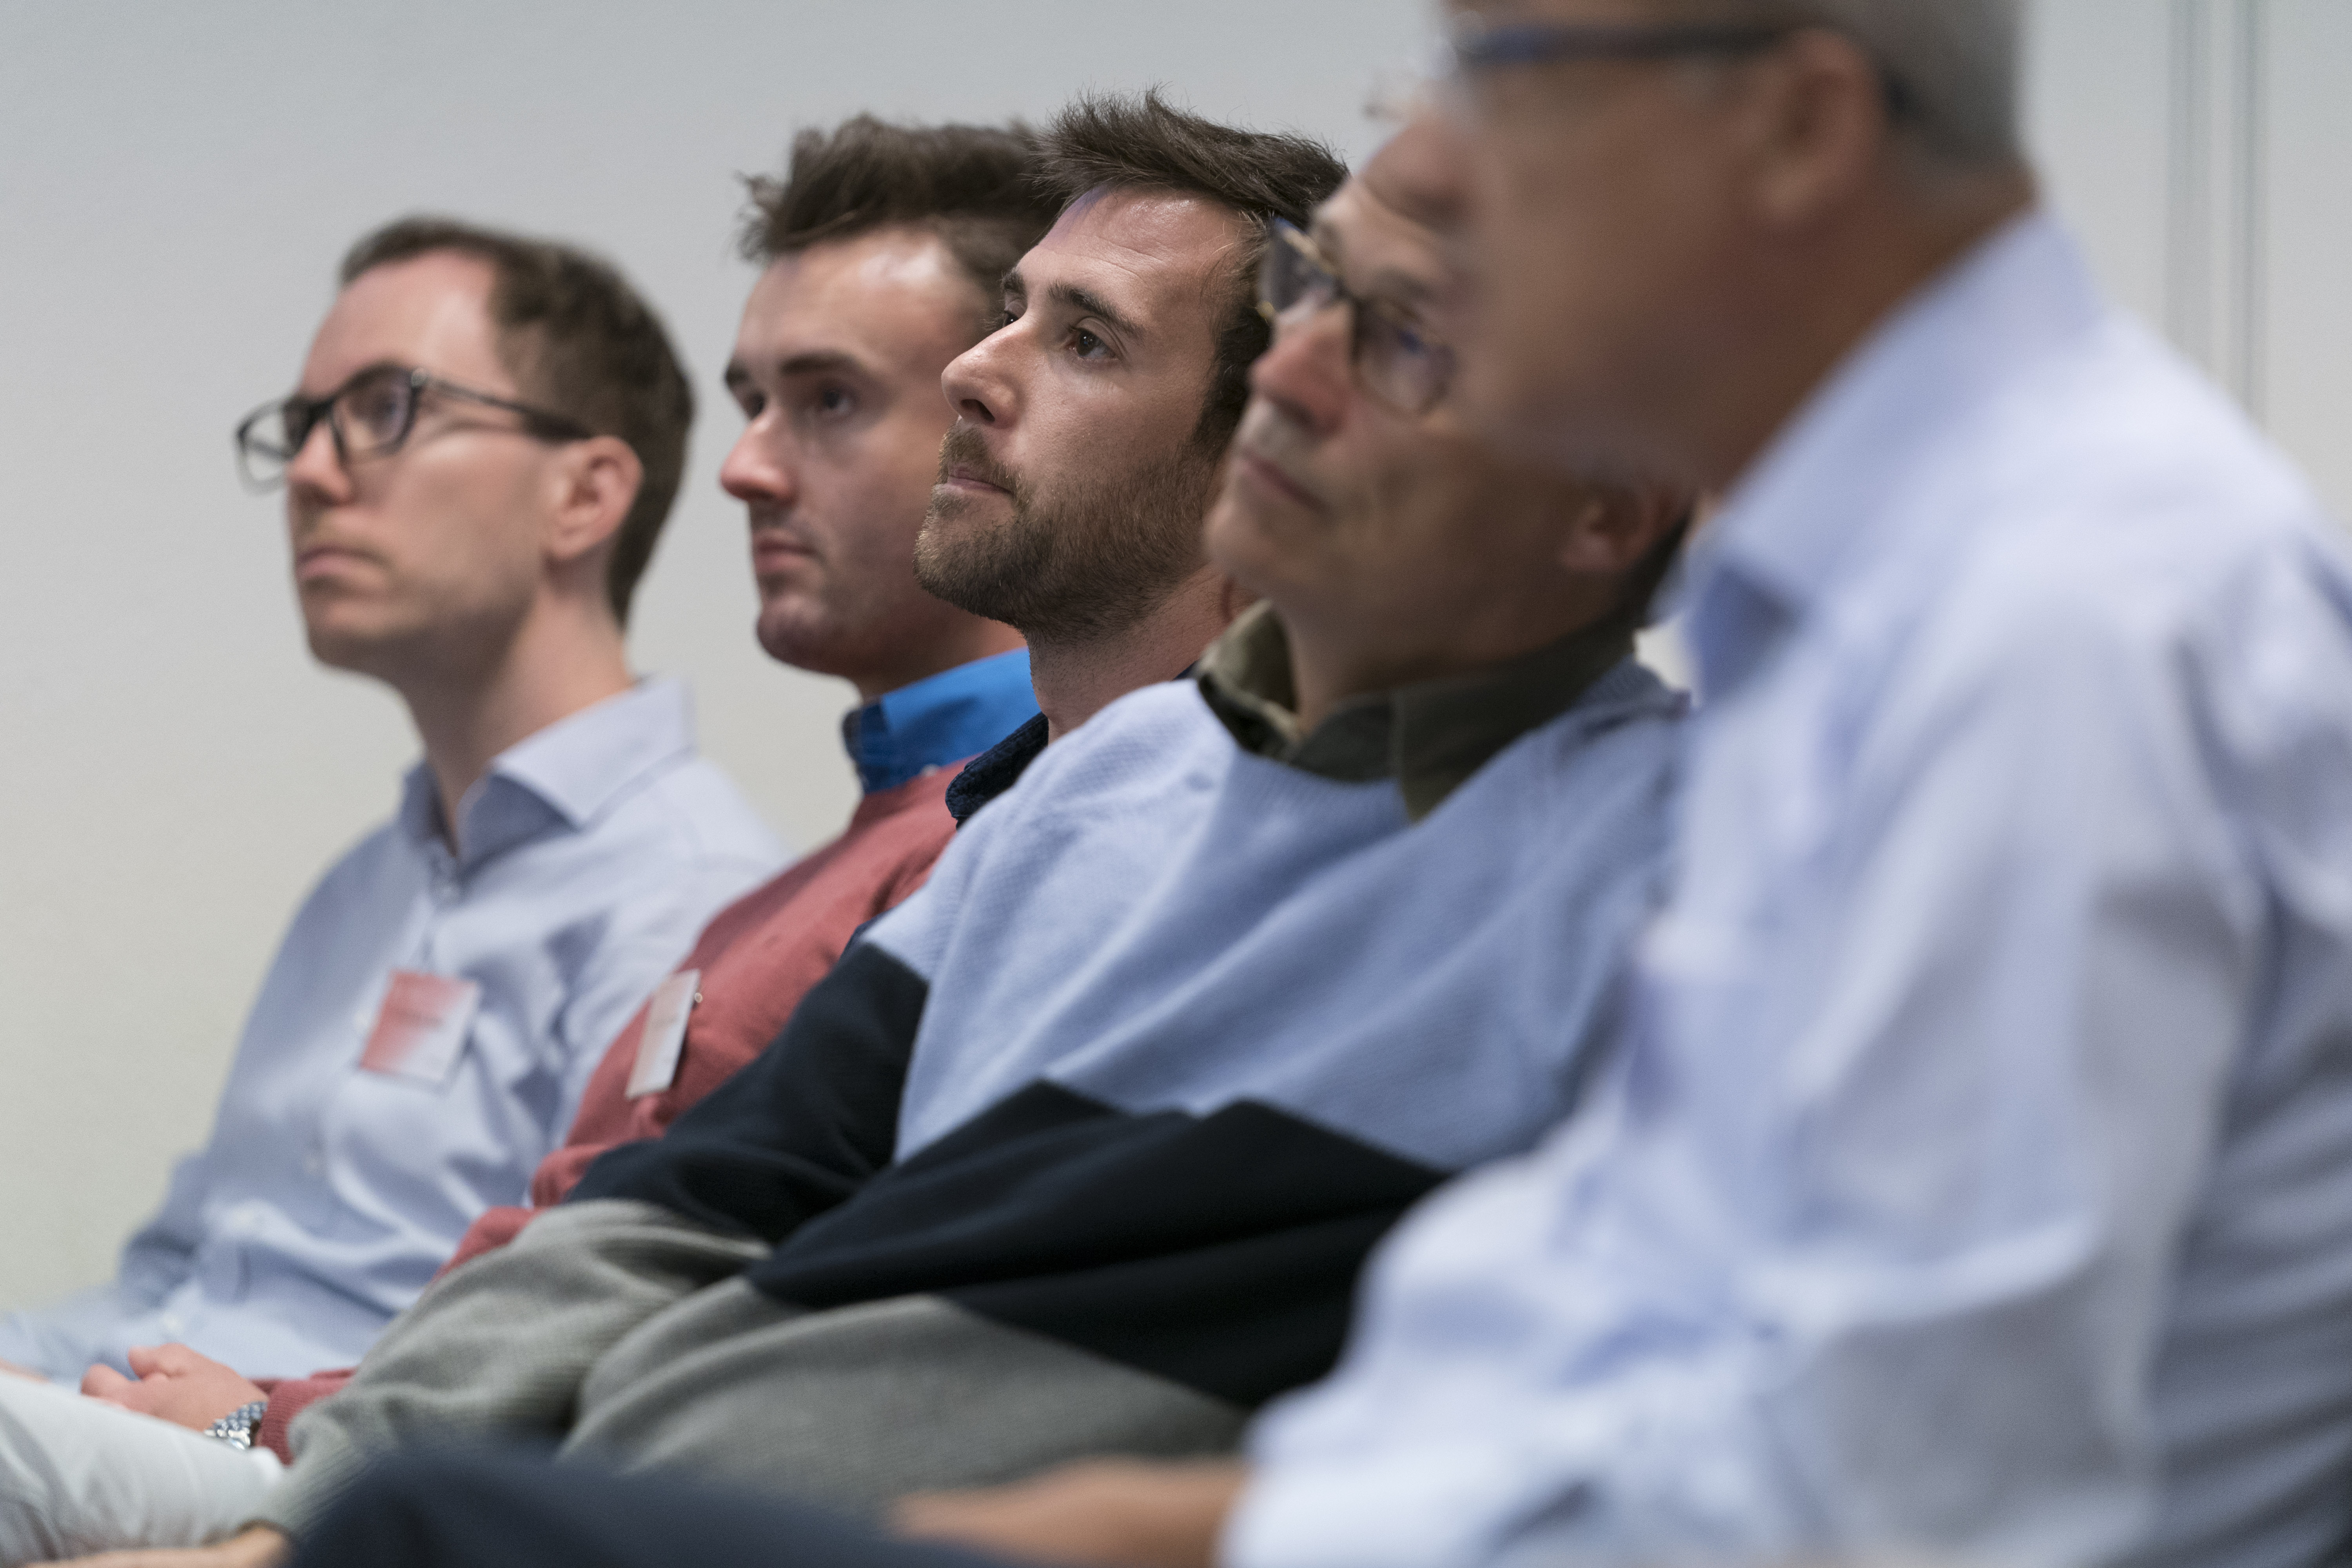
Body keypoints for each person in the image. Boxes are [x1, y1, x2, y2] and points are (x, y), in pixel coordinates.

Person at [21, 93, 1703, 1568]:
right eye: (1312, 292)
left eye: (1388, 332)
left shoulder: (1663, 877)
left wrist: (284, 1479)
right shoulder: (1089, 791)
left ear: (1603, 505)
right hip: (487, 1475)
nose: (1299, 363)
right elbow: (690, 1219)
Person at [877, 3, 2352, 1566]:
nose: (1441, 158)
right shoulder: (1856, 603)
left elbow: (1905, 1494)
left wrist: (1163, 1537)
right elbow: (1608, 1300)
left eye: (1502, 84)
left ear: (1799, 128)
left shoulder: (2064, 617)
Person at [23, 115, 1056, 1475]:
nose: (747, 465)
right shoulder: (769, 902)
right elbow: (567, 1288)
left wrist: (239, 1426)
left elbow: (615, 1349)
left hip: (347, 1470)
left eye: (830, 400)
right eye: (755, 400)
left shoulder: (818, 876)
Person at [0, 218, 782, 1393]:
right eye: (305, 425)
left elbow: (565, 1382)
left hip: (311, 1480)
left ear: (584, 496)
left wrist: (205, 1436)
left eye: (386, 409)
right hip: (151, 1436)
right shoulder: (367, 885)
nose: (313, 474)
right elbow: (177, 1280)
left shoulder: (696, 904)